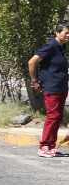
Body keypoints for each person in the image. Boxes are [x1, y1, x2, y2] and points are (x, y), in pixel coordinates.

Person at [28, 24, 69, 158]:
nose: (68, 36)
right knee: (52, 117)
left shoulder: (62, 47)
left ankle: (51, 146)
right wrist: (34, 80)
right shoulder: (51, 45)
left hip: (61, 87)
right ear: (57, 33)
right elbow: (32, 62)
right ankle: (44, 146)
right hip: (51, 87)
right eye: (66, 33)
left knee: (58, 117)